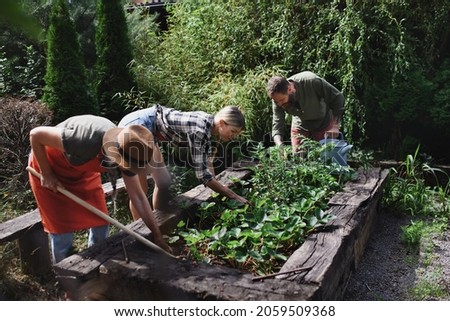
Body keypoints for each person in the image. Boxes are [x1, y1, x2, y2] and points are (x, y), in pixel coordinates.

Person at [28, 114, 171, 264]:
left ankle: (95, 262)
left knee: (100, 221)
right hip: (50, 166)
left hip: (81, 172)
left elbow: (139, 198)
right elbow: (36, 134)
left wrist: (157, 235)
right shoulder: (83, 140)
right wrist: (47, 173)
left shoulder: (130, 151)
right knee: (62, 232)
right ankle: (67, 275)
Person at [118, 104, 251, 220]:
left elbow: (207, 160)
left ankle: (159, 222)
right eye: (233, 131)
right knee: (140, 189)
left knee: (163, 182)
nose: (233, 136)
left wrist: (215, 185)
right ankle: (141, 231)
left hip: (150, 129)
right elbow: (203, 176)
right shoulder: (200, 130)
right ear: (222, 123)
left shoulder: (208, 124)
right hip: (135, 128)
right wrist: (233, 195)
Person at [267, 71, 345, 153]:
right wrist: (279, 145)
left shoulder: (311, 81)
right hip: (300, 123)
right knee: (298, 155)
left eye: (282, 100)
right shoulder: (277, 99)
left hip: (323, 121)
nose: (279, 104)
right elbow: (277, 124)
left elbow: (338, 98)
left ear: (289, 89)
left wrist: (335, 125)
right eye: (277, 101)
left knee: (326, 155)